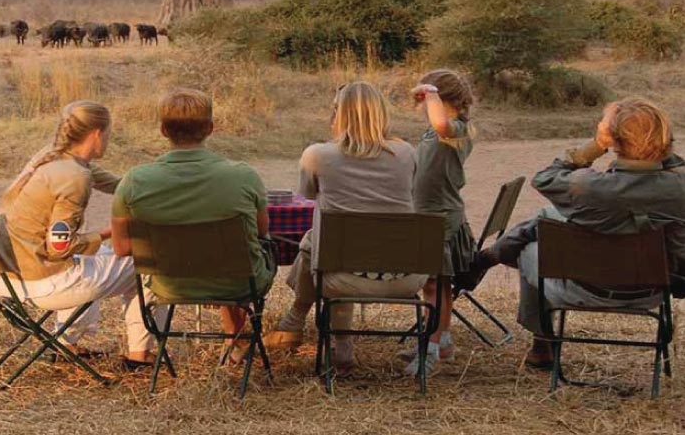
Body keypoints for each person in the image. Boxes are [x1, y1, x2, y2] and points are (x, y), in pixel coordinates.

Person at [473, 98, 685, 368]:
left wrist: (596, 145)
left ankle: (542, 343)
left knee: (531, 245)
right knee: (546, 219)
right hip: (652, 291)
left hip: (583, 289)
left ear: (614, 140)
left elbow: (545, 177)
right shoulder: (679, 186)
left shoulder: (591, 187)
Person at [263, 81, 424, 373]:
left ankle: (306, 326)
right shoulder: (406, 153)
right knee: (321, 241)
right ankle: (303, 327)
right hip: (405, 276)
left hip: (343, 277)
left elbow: (308, 195)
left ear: (339, 114)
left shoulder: (318, 155)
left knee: (318, 243)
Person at [0, 101, 163, 369]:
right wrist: (109, 233)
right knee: (147, 265)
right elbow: (60, 247)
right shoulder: (75, 176)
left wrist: (160, 187)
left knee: (98, 256)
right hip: (42, 281)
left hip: (9, 276)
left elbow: (118, 185)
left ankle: (66, 344)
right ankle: (139, 355)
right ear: (97, 133)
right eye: (109, 133)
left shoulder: (52, 157)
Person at [110, 89, 275, 362]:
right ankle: (237, 342)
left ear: (163, 131)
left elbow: (122, 247)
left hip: (170, 285)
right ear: (210, 128)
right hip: (235, 284)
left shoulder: (134, 181)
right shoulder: (243, 176)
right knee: (241, 259)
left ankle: (235, 341)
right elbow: (260, 233)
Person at [400, 69, 477, 376]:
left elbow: (441, 123)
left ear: (440, 98)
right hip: (430, 216)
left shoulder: (455, 127)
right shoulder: (439, 130)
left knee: (435, 284)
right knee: (437, 284)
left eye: (428, 99)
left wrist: (430, 93)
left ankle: (430, 351)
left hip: (440, 218)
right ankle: (441, 341)